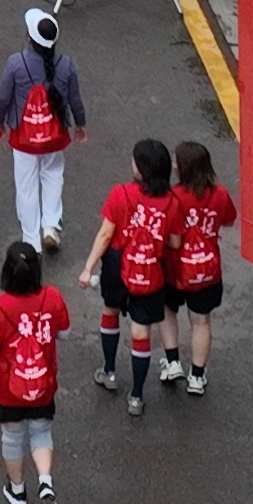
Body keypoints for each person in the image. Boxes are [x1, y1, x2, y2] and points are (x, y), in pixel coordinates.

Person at [80, 137, 178, 415]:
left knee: (110, 312)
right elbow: (174, 243)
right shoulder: (171, 202)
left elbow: (105, 234)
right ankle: (136, 396)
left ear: (141, 169)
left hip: (116, 265)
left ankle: (110, 372)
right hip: (151, 270)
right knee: (140, 331)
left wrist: (88, 267)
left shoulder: (120, 193)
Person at [0, 8, 83, 253]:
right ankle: (50, 225)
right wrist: (80, 124)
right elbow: (75, 99)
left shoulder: (16, 63)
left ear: (30, 37)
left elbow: (4, 97)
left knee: (26, 186)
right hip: (55, 136)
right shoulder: (66, 64)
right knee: (52, 176)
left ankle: (31, 240)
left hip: (24, 137)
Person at [0, 241, 66, 504]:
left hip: (8, 390)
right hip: (43, 383)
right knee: (41, 431)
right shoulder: (52, 298)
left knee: (12, 437)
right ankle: (45, 481)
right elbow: (65, 333)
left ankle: (17, 490)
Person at [161, 141, 233, 396]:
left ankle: (172, 363)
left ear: (183, 168)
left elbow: (173, 237)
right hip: (208, 270)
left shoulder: (174, 197)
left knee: (168, 310)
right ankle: (197, 377)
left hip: (174, 268)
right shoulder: (220, 194)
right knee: (201, 321)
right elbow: (229, 219)